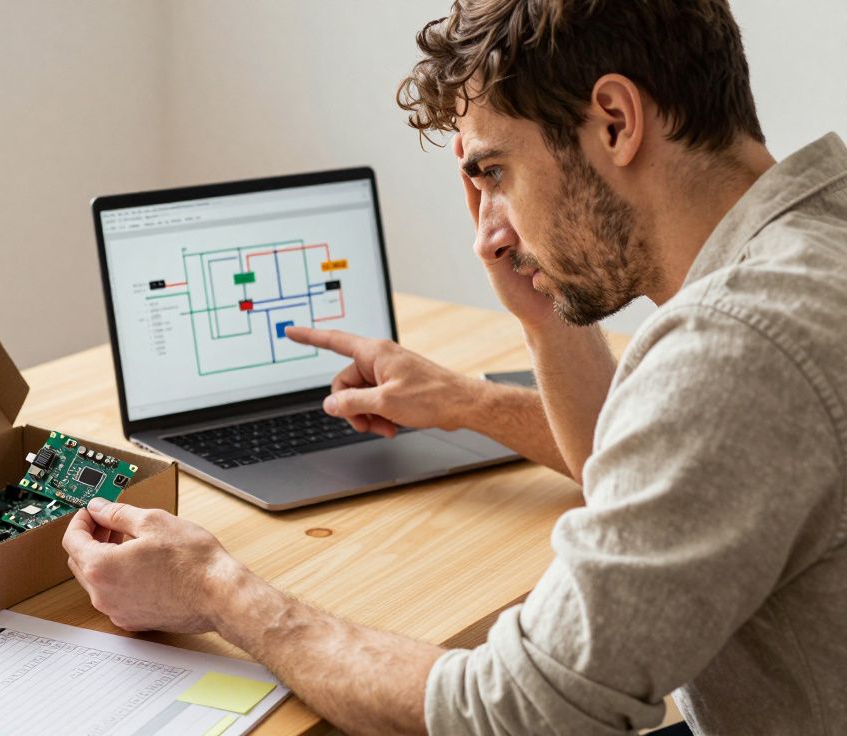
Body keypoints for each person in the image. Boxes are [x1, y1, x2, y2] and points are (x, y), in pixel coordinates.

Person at [62, 1, 847, 733]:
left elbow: (520, 709)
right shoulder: (819, 229)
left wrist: (216, 589)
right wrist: (534, 328)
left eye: (496, 172)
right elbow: (654, 477)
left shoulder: (735, 347)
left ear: (614, 122)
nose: (495, 221)